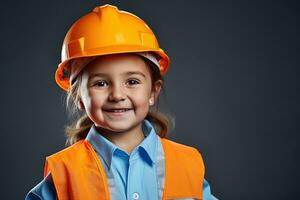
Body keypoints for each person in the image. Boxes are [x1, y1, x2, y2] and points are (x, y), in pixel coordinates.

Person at [25, 4, 218, 200]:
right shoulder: (64, 172)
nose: (117, 95)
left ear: (153, 91)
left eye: (132, 81)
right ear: (79, 97)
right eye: (100, 83)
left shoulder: (187, 164)